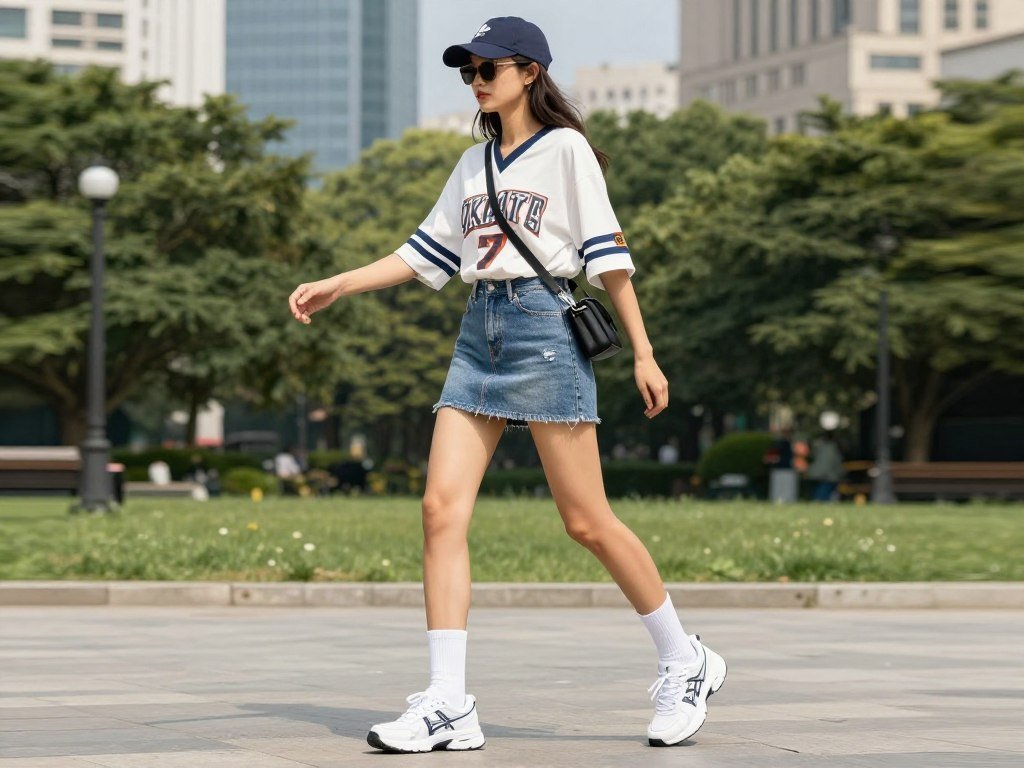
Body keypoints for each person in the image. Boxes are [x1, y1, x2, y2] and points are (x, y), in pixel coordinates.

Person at [287, 16, 726, 753]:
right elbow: (423, 252)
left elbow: (608, 259)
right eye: (469, 71)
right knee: (438, 510)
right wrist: (342, 283)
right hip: (478, 332)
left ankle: (686, 659)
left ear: (529, 73)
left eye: (489, 68)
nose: (477, 80)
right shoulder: (472, 162)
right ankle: (448, 702)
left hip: (545, 334)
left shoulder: (567, 151)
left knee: (586, 521)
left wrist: (645, 355)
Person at [807, 431, 845, 501]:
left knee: (817, 496)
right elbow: (835, 463)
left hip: (815, 475)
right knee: (823, 497)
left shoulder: (817, 446)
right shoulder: (833, 449)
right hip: (826, 476)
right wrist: (842, 472)